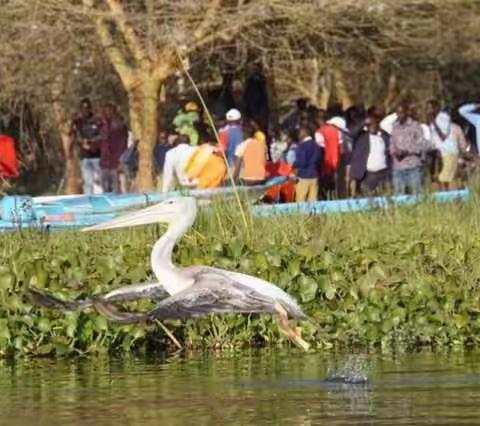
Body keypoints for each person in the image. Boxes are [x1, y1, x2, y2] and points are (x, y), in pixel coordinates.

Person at [349, 111, 391, 194]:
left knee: (384, 197)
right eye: (369, 125)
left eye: (373, 124)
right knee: (368, 197)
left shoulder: (383, 136)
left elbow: (389, 149)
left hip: (383, 173)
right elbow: (352, 133)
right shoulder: (362, 137)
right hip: (369, 175)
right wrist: (363, 122)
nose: (372, 126)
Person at [389, 103, 427, 195]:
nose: (399, 115)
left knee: (416, 194)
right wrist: (394, 152)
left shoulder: (415, 126)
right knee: (398, 195)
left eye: (402, 112)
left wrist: (407, 151)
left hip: (413, 166)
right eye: (397, 113)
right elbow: (392, 144)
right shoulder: (395, 127)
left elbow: (422, 145)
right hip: (398, 167)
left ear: (407, 112)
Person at [71, 98, 102, 194]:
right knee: (88, 182)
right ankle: (88, 202)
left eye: (87, 108)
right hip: (84, 157)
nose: (85, 110)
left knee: (100, 181)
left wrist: (92, 143)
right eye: (83, 108)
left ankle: (104, 202)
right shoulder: (77, 122)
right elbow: (74, 137)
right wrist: (82, 142)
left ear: (90, 108)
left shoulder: (97, 121)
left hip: (97, 155)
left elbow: (102, 136)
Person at [426, 99, 458, 191]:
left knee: (445, 178)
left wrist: (433, 122)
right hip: (440, 153)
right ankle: (445, 198)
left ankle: (452, 198)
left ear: (436, 108)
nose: (428, 111)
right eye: (427, 108)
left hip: (449, 152)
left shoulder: (443, 118)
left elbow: (442, 136)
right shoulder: (435, 119)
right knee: (438, 178)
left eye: (430, 108)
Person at [99, 103, 128, 193]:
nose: (106, 113)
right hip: (104, 163)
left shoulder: (119, 126)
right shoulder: (103, 126)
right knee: (105, 189)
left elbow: (123, 146)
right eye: (105, 111)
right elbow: (102, 143)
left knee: (116, 189)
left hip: (115, 163)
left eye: (109, 111)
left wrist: (121, 161)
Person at [293, 126, 322, 202]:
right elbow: (319, 160)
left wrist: (294, 165)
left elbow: (302, 162)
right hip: (314, 175)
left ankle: (301, 214)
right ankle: (313, 214)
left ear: (304, 134)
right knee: (313, 200)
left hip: (303, 177)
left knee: (301, 199)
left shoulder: (302, 146)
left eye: (299, 133)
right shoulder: (317, 145)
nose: (298, 135)